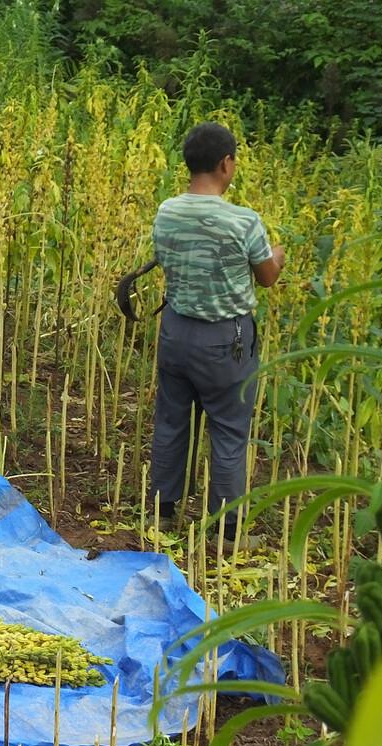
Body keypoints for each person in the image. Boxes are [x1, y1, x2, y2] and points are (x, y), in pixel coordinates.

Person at [149, 122, 285, 545]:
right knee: (228, 429)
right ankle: (226, 532)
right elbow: (266, 277)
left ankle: (162, 514)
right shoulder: (244, 222)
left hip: (175, 331)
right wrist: (278, 255)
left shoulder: (167, 211)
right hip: (225, 342)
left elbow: (165, 258)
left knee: (172, 421)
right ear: (226, 164)